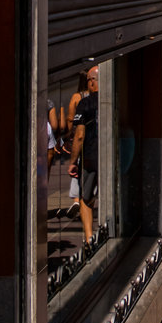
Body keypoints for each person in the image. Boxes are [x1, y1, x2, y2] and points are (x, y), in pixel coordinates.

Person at [68, 64, 100, 240]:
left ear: (92, 82)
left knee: (86, 199)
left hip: (91, 157)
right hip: (113, 157)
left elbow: (79, 136)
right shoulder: (116, 96)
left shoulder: (85, 103)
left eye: (89, 80)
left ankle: (89, 239)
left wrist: (73, 161)